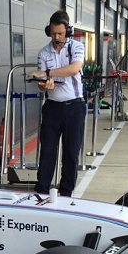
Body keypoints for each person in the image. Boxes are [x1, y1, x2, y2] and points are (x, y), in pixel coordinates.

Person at [28, 10, 85, 197]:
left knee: (70, 152)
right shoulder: (44, 52)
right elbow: (41, 86)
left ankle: (67, 191)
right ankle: (42, 190)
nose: (57, 37)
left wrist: (49, 73)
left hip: (74, 107)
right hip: (52, 107)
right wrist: (45, 83)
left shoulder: (77, 47)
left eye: (60, 33)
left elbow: (74, 69)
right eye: (53, 33)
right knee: (48, 151)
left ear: (67, 31)